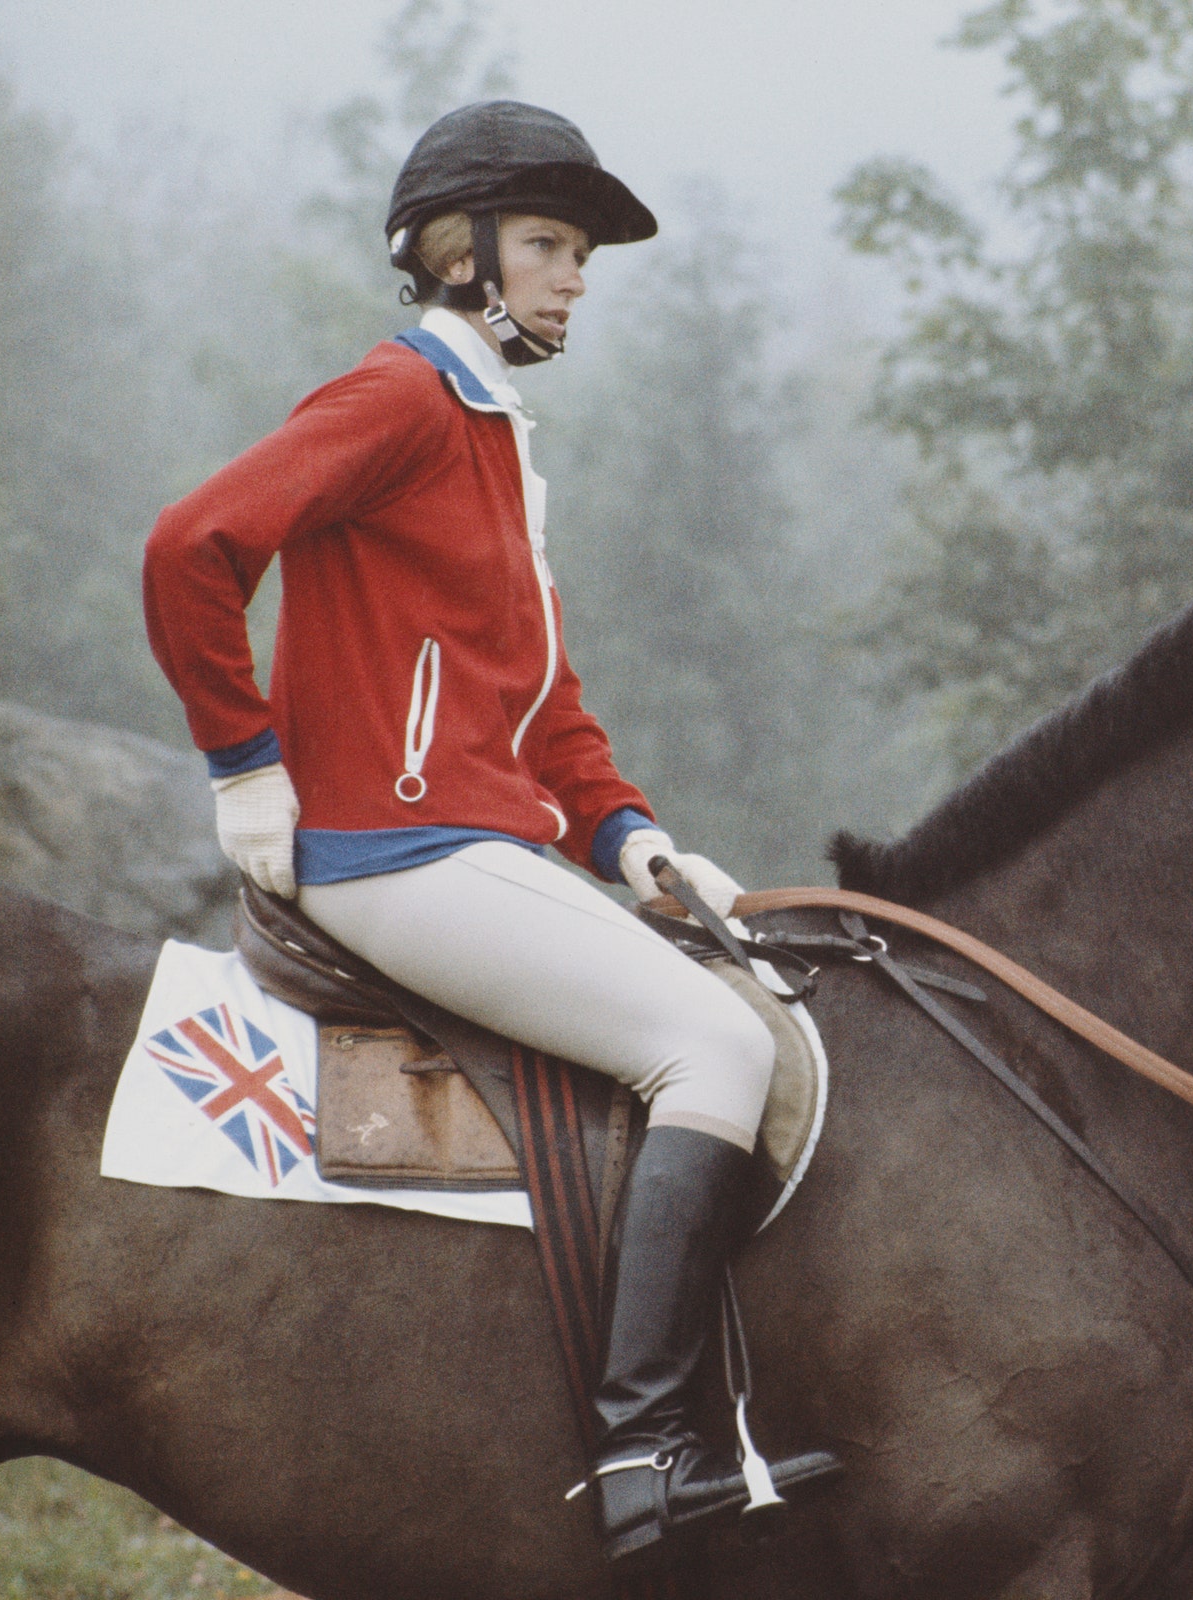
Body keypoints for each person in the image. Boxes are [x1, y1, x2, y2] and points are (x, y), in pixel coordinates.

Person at [142, 100, 839, 1568]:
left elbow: (547, 708)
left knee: (750, 1003)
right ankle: (647, 1446)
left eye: (579, 252)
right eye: (547, 244)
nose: (575, 275)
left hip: (491, 849)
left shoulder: (491, 437)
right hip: (396, 859)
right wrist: (246, 765)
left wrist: (633, 837)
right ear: (451, 253)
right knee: (717, 1049)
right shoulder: (397, 400)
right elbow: (190, 548)